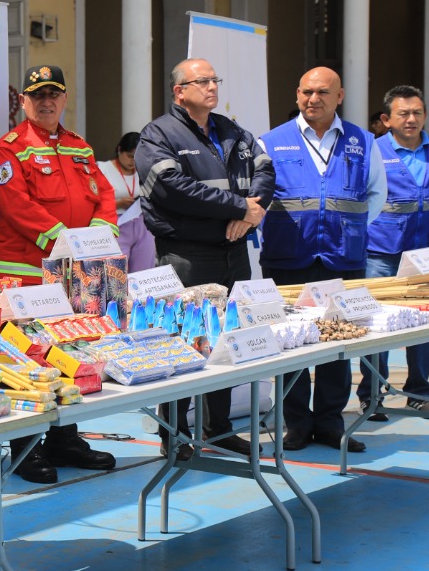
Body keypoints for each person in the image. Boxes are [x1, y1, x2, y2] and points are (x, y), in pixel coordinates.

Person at [0, 65, 118, 484]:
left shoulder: (80, 147)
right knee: (26, 360)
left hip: (71, 274)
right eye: (37, 95)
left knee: (69, 353)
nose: (46, 102)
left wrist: (99, 234)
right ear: (23, 101)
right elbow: (17, 206)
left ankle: (64, 438)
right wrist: (68, 242)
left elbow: (105, 193)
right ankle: (25, 448)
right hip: (24, 275)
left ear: (63, 98)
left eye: (53, 94)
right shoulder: (7, 150)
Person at [137, 57, 274, 457]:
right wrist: (237, 207)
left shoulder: (233, 131)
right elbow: (171, 187)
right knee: (183, 341)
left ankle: (218, 429)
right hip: (187, 256)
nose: (212, 87)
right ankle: (173, 435)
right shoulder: (157, 134)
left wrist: (250, 214)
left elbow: (266, 171)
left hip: (234, 251)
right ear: (179, 91)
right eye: (203, 81)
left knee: (224, 340)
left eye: (215, 80)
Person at [259, 66, 386, 453]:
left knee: (338, 343)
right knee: (290, 343)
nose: (313, 99)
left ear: (339, 96)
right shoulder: (270, 142)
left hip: (341, 258)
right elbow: (258, 199)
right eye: (306, 92)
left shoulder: (363, 142)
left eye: (322, 92)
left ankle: (331, 423)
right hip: (287, 257)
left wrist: (348, 229)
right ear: (297, 94)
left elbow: (376, 195)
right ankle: (296, 423)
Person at [357, 85, 429, 418]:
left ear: (425, 115)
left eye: (417, 113)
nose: (411, 119)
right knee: (377, 327)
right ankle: (371, 396)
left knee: (424, 323)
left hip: (426, 254)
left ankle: (418, 392)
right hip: (381, 252)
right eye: (403, 114)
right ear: (386, 119)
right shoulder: (372, 150)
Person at [100, 131, 156, 272]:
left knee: (143, 270)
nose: (133, 162)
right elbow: (92, 202)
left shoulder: (143, 171)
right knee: (115, 272)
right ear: (119, 150)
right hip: (115, 223)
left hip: (141, 223)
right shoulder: (102, 168)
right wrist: (118, 203)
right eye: (130, 156)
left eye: (137, 158)